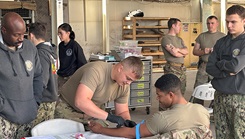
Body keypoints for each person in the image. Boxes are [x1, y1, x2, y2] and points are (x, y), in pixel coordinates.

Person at [88, 74, 210, 138]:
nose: (157, 98)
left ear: (171, 95)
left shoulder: (162, 118)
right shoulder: (202, 111)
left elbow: (131, 133)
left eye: (159, 95)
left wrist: (101, 129)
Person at [55, 56, 143, 129]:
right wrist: (109, 117)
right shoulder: (96, 71)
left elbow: (122, 112)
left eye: (132, 81)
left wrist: (127, 123)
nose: (128, 83)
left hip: (94, 114)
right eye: (128, 78)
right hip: (69, 110)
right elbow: (81, 102)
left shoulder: (124, 85)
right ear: (120, 68)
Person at [0, 12, 43, 138]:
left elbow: (38, 76)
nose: (21, 38)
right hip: (4, 121)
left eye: (23, 34)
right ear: (4, 30)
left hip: (29, 117)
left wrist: (35, 102)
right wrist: (3, 107)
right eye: (16, 35)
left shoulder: (30, 47)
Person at [206, 5, 245, 139]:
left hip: (240, 99)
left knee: (239, 135)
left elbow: (235, 66)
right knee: (222, 134)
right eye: (227, 21)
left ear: (244, 21)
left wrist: (220, 63)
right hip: (220, 96)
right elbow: (209, 67)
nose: (229, 25)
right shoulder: (221, 42)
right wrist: (225, 72)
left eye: (233, 22)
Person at [28, 22, 58, 127]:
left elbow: (42, 80)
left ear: (31, 36)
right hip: (51, 97)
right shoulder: (51, 51)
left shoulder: (40, 53)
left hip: (43, 100)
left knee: (37, 131)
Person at [192, 16, 226, 105]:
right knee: (198, 88)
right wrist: (204, 51)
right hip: (204, 65)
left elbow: (227, 52)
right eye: (208, 23)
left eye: (212, 23)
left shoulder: (223, 37)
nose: (210, 25)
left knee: (217, 89)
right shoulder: (201, 36)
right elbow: (195, 51)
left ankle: (215, 110)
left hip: (217, 65)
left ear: (217, 24)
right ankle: (198, 110)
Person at [161, 18, 188, 95]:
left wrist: (178, 49)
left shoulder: (179, 39)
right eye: (179, 25)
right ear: (173, 26)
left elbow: (187, 51)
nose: (180, 27)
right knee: (170, 92)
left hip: (181, 69)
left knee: (181, 92)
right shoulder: (166, 39)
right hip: (172, 69)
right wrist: (182, 53)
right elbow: (174, 54)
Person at [57, 23, 87, 91]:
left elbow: (82, 62)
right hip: (62, 75)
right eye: (58, 33)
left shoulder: (75, 45)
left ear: (68, 33)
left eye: (61, 33)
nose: (59, 35)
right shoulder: (61, 45)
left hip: (71, 75)